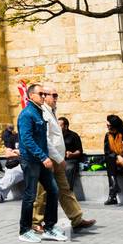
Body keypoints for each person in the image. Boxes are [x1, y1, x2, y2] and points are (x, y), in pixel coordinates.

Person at [32, 86, 95, 233]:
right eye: (52, 95)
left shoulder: (52, 112)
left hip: (57, 159)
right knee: (42, 192)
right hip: (50, 158)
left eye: (56, 95)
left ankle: (76, 219)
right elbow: (46, 140)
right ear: (45, 97)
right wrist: (58, 158)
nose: (55, 98)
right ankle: (36, 221)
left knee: (64, 190)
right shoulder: (44, 114)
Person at [17, 83, 64, 243]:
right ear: (31, 96)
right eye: (41, 94)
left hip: (41, 160)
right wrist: (43, 157)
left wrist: (48, 156)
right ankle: (24, 230)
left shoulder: (39, 112)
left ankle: (49, 227)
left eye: (45, 94)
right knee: (30, 195)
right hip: (31, 161)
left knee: (53, 190)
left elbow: (43, 139)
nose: (44, 96)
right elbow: (26, 139)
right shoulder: (27, 114)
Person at [59, 117, 83, 189]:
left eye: (60, 125)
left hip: (70, 160)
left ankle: (67, 191)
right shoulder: (55, 136)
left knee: (68, 168)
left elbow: (79, 151)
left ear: (66, 126)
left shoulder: (73, 135)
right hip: (58, 159)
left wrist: (72, 154)